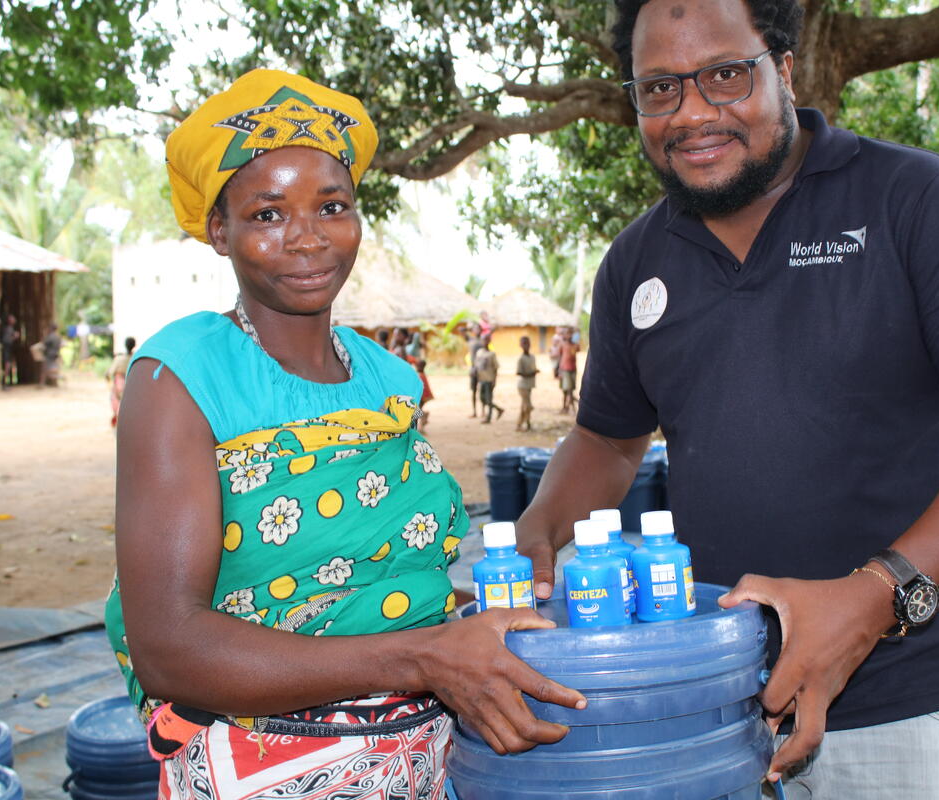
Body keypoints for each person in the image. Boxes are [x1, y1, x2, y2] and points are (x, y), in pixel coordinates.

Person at [515, 1, 939, 796]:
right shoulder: (634, 261)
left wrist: (873, 597)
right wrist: (538, 530)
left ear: (781, 69)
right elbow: (609, 441)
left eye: (724, 74)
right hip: (716, 699)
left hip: (906, 700)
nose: (695, 112)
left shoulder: (916, 201)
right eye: (660, 88)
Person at [103, 69, 583, 800]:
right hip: (270, 767)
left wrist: (473, 624)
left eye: (332, 206)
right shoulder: (183, 373)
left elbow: (378, 578)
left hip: (427, 758)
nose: (307, 238)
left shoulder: (387, 376)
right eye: (268, 214)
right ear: (218, 230)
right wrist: (424, 656)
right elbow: (170, 648)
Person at [473, 333, 503, 423]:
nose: (485, 341)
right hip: (481, 379)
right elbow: (476, 366)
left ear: (489, 341)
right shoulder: (479, 353)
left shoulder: (492, 354)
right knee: (482, 398)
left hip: (489, 379)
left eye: (487, 339)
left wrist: (495, 380)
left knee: (489, 398)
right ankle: (498, 409)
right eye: (484, 340)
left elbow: (495, 368)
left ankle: (489, 417)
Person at [107, 336, 137, 428]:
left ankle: (117, 416)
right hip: (133, 387)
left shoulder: (119, 359)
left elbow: (109, 374)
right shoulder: (135, 358)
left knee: (114, 398)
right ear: (134, 345)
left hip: (119, 386)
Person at [515, 335, 539, 432]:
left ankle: (527, 424)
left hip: (529, 385)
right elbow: (519, 372)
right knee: (528, 406)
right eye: (524, 343)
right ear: (521, 345)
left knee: (524, 406)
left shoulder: (532, 357)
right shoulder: (521, 359)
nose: (526, 345)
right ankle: (519, 424)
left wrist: (534, 372)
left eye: (527, 343)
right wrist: (531, 373)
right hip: (522, 386)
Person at [557, 326, 578, 414]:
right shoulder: (562, 344)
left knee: (570, 389)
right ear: (564, 335)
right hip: (564, 370)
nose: (569, 335)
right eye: (567, 333)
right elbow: (559, 356)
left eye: (571, 333)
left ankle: (566, 407)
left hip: (573, 369)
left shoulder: (575, 345)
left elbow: (576, 351)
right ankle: (571, 408)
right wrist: (558, 370)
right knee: (567, 390)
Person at [465, 322, 483, 417]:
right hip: (473, 369)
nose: (477, 330)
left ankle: (483, 411)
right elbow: (461, 330)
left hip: (482, 369)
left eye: (478, 329)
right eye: (475, 329)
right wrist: (469, 328)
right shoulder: (470, 339)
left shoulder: (484, 340)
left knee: (483, 391)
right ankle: (475, 411)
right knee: (474, 391)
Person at [0, 314, 19, 388]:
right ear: (9, 320)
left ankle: (5, 382)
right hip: (6, 350)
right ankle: (4, 383)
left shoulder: (9, 328)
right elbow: (6, 341)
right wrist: (14, 337)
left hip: (7, 350)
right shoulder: (8, 329)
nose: (14, 319)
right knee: (7, 366)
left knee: (8, 366)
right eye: (12, 318)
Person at [415, 357, 433, 432]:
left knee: (416, 411)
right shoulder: (422, 374)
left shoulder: (419, 375)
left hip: (421, 396)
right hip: (424, 396)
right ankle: (422, 423)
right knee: (417, 410)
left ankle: (424, 416)